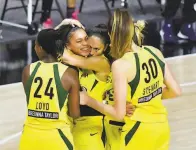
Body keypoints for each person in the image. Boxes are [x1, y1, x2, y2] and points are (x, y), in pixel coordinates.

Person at [80, 9, 182, 150]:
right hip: (162, 127)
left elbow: (118, 113)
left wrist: (87, 100)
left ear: (111, 35)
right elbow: (175, 91)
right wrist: (146, 97)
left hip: (138, 130)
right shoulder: (154, 52)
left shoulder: (121, 65)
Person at [19, 29, 80, 150]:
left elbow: (30, 102)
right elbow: (74, 113)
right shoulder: (69, 74)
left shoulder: (28, 71)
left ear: (40, 48)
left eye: (35, 45)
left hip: (30, 136)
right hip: (57, 137)